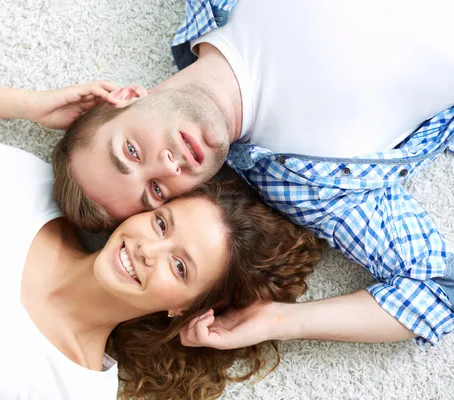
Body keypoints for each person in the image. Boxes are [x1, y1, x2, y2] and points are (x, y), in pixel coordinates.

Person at [0, 76, 323, 399]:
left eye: (180, 267)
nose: (147, 250)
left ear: (184, 308)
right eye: (162, 224)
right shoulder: (24, 190)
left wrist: (279, 322)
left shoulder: (76, 389)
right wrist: (30, 106)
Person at [50, 1, 454, 348]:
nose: (168, 166)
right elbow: (438, 291)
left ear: (125, 98)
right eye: (156, 190)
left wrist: (26, 105)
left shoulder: (211, 11)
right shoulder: (311, 188)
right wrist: (281, 321)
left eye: (131, 151)